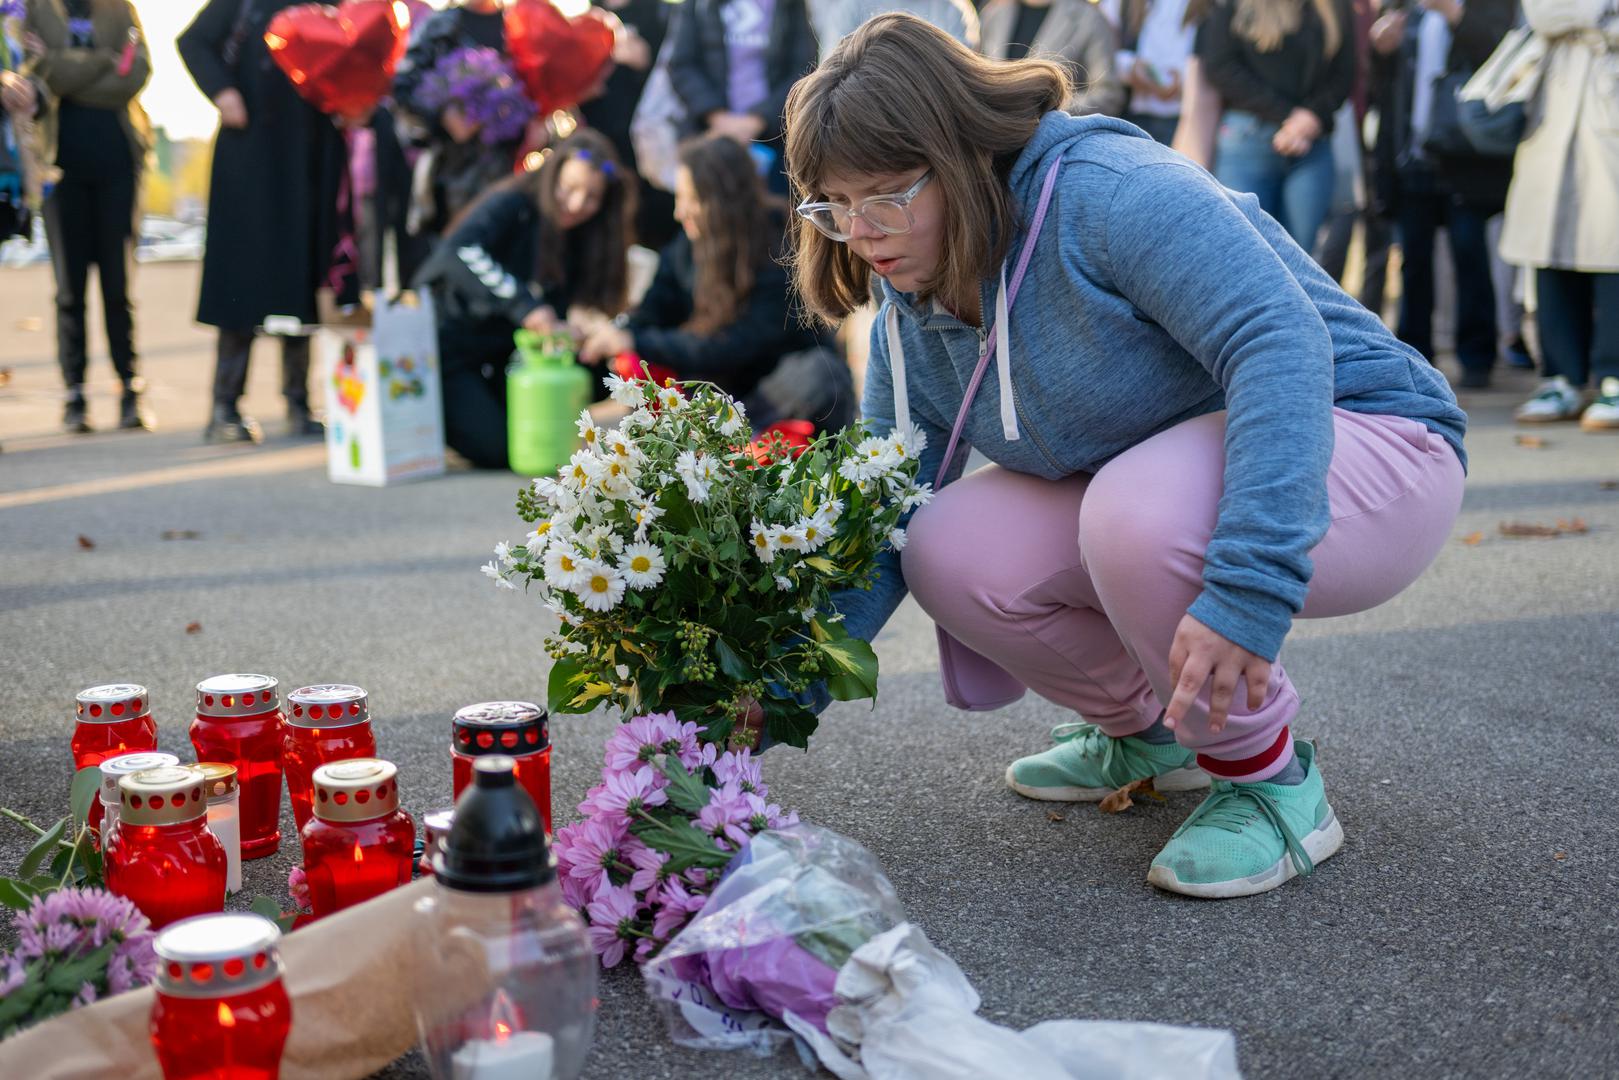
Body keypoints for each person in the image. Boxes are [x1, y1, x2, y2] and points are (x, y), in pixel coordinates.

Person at [785, 14, 1467, 898]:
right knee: (942, 542)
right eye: (832, 206)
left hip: (1373, 443)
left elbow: (1280, 345)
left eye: (882, 195)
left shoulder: (1107, 191)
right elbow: (883, 501)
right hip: (1167, 481)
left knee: (1134, 512)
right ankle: (1151, 732)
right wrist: (785, 681)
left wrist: (1247, 592)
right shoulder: (909, 290)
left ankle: (1270, 784)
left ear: (957, 154)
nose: (860, 230)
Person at [578, 134, 852, 430]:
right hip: (718, 393)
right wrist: (616, 332)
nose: (678, 212)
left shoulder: (779, 248)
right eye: (678, 198)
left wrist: (637, 340)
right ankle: (716, 436)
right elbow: (651, 313)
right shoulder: (685, 247)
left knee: (822, 373)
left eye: (691, 200)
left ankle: (730, 438)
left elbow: (733, 346)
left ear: (723, 200)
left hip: (775, 393)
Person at [179, 0, 350, 443]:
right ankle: (224, 407)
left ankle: (298, 403)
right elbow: (193, 41)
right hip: (250, 150)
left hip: (311, 152)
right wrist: (222, 91)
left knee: (303, 272)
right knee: (241, 277)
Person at [413, 130, 634, 469]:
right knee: (501, 449)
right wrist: (524, 306)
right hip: (447, 351)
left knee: (594, 373)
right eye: (570, 188)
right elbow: (460, 251)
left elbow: (559, 305)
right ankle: (439, 416)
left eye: (591, 197)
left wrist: (570, 331)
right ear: (551, 176)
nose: (576, 204)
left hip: (505, 354)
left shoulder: (584, 236)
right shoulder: (513, 203)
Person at [1368, 0, 1513, 389]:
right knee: (1413, 258)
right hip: (1410, 155)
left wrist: (1454, 15)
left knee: (1469, 251)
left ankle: (1477, 357)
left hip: (1463, 156)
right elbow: (1383, 84)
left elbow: (1502, 57)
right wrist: (1382, 50)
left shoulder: (1485, 7)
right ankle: (1414, 357)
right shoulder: (1404, 7)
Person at [22, 0, 151, 434]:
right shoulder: (34, 9)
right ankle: (74, 397)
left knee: (119, 287)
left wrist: (65, 71)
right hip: (60, 168)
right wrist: (102, 61)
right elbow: (38, 75)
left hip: (118, 162)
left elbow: (136, 74)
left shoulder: (120, 8)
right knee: (69, 290)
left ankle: (129, 391)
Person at [1500, 0, 1619, 430]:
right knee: (1547, 254)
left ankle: (1612, 379)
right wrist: (1596, 15)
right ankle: (1560, 377)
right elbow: (1539, 12)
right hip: (1551, 119)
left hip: (1606, 120)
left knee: (1611, 254)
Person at [1196, 0, 1355, 251]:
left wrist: (1312, 117)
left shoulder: (1333, 6)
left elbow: (1346, 71)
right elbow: (1220, 65)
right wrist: (1290, 117)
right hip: (1248, 141)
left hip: (1312, 145)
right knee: (1247, 252)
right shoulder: (1233, 6)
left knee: (1301, 259)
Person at [665, 0, 818, 194]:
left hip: (775, 138)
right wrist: (717, 117)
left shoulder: (789, 5)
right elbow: (680, 64)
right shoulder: (695, 5)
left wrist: (758, 120)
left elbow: (804, 69)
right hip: (710, 136)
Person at [978, 0, 1126, 116]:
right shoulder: (994, 14)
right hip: (996, 139)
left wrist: (1049, 110)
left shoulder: (1088, 19)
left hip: (1055, 142)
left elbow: (1108, 94)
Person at [1112, 0, 1200, 143]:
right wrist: (1132, 68)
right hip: (1132, 116)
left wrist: (1183, 82)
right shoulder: (1123, 4)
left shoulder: (1210, 5)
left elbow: (1217, 55)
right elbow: (1104, 51)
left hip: (1188, 120)